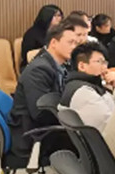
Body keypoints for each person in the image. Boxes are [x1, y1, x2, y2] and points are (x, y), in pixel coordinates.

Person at [7, 22, 78, 166]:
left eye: (76, 43)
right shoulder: (38, 70)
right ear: (54, 43)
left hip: (40, 127)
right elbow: (40, 113)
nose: (74, 47)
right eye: (70, 42)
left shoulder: (55, 65)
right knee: (91, 140)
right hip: (33, 135)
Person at [59, 41, 115, 132]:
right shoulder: (83, 92)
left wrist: (112, 88)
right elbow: (108, 125)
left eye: (105, 62)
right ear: (82, 66)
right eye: (99, 62)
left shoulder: (81, 84)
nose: (105, 68)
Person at [21, 4, 63, 69]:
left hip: (55, 64)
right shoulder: (32, 34)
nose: (58, 18)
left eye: (59, 15)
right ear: (46, 16)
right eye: (55, 16)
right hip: (33, 66)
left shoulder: (60, 32)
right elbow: (26, 55)